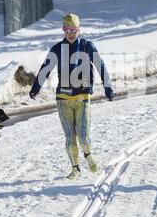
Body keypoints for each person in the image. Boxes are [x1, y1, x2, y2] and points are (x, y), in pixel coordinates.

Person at [29, 13, 114, 180]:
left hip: (82, 98)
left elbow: (100, 65)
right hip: (63, 98)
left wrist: (108, 86)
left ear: (78, 29)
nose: (70, 34)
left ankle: (88, 155)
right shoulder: (57, 49)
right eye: (67, 30)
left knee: (83, 136)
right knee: (70, 137)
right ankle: (75, 169)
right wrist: (35, 88)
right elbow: (45, 69)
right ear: (63, 30)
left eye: (73, 30)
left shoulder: (87, 46)